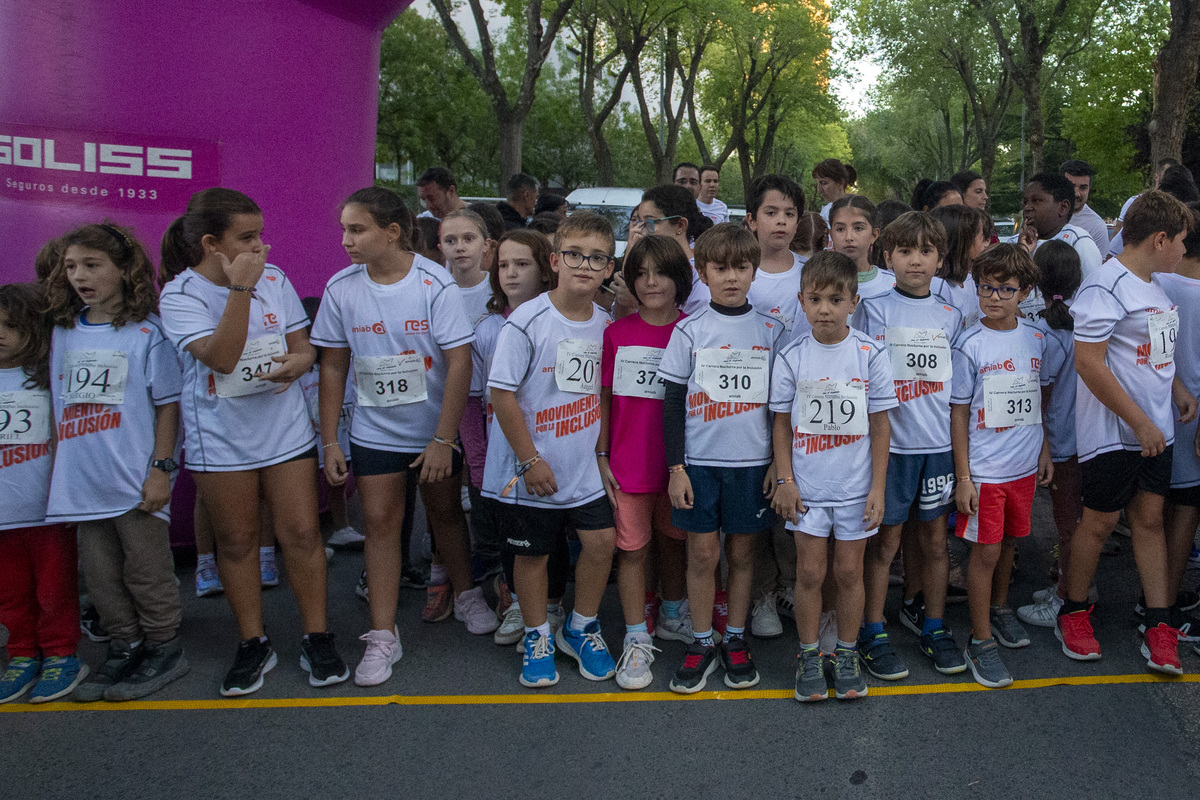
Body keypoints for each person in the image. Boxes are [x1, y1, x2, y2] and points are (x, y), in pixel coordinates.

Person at [160, 188, 349, 697]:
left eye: (261, 234)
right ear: (210, 243)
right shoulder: (180, 295)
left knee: (303, 535)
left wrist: (301, 361)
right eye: (247, 238)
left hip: (284, 431)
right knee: (239, 542)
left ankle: (317, 635)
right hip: (220, 440)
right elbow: (220, 358)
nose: (261, 247)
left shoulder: (276, 278)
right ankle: (252, 642)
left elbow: (303, 345)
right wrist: (240, 290)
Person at [312, 187, 493, 686]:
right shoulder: (341, 289)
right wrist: (331, 440)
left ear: (391, 232)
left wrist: (442, 438)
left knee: (445, 515)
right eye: (344, 229)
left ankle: (466, 594)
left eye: (357, 229)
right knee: (380, 523)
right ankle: (382, 635)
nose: (346, 240)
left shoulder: (435, 284)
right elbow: (332, 367)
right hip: (374, 432)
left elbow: (459, 362)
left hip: (432, 430)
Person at [44, 223, 188, 702]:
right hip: (82, 484)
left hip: (134, 480)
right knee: (101, 577)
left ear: (125, 270)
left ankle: (164, 646)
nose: (79, 276)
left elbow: (168, 404)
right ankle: (124, 645)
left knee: (146, 571)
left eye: (92, 265)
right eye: (71, 267)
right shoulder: (63, 331)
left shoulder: (148, 333)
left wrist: (161, 469)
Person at [1056, 191, 1196, 674]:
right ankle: (1073, 611)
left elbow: (1150, 351)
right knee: (1097, 522)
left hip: (1155, 430)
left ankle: (1159, 622)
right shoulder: (1105, 287)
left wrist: (1175, 387)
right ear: (1159, 240)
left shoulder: (1155, 285)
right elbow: (1088, 363)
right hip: (1115, 434)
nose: (1184, 249)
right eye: (1180, 241)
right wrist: (1137, 421)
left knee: (1151, 520)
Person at [481, 211, 620, 688]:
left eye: (596, 257)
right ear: (556, 260)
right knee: (534, 556)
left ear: (608, 267)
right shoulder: (527, 321)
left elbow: (601, 395)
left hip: (582, 465)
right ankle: (539, 634)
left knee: (602, 542)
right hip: (530, 468)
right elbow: (501, 394)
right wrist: (530, 459)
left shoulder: (606, 325)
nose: (585, 265)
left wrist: (600, 456)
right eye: (575, 254)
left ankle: (580, 628)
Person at [659, 223, 787, 693]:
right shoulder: (689, 330)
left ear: (754, 270)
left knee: (741, 552)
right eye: (720, 267)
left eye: (741, 266)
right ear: (702, 272)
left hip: (752, 464)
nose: (731, 276)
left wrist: (778, 463)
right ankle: (700, 640)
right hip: (698, 464)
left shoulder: (774, 330)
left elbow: (782, 407)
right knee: (702, 553)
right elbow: (672, 402)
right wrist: (676, 468)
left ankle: (734, 637)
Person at [771, 251, 896, 701]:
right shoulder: (792, 356)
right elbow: (781, 422)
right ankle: (808, 655)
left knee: (848, 573)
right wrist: (786, 479)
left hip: (855, 489)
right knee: (808, 573)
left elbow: (881, 423)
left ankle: (845, 652)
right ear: (802, 301)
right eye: (816, 299)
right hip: (807, 490)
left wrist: (878, 488)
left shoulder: (870, 353)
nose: (825, 309)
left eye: (835, 299)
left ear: (853, 302)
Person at [850, 211, 966, 680]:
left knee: (936, 542)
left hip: (936, 445)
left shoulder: (953, 314)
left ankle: (934, 626)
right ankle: (871, 629)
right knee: (886, 542)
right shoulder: (872, 308)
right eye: (904, 251)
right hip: (890, 450)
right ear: (887, 256)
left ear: (940, 259)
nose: (915, 260)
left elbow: (960, 394)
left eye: (925, 251)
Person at [950, 244, 1054, 688]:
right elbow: (957, 413)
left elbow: (1037, 399)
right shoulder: (970, 343)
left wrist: (1045, 448)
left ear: (1024, 292)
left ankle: (999, 608)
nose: (994, 297)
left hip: (1023, 467)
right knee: (986, 552)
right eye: (986, 288)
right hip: (986, 472)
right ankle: (979, 639)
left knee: (1010, 545)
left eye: (1005, 289)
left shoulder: (1037, 337)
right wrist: (965, 476)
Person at [597, 235, 693, 689]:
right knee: (633, 552)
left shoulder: (695, 330)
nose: (651, 281)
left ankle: (672, 613)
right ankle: (637, 637)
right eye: (640, 273)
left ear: (680, 278)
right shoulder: (616, 333)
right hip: (629, 465)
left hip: (679, 466)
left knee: (674, 542)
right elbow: (604, 402)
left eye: (661, 272)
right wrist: (601, 454)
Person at [471, 230, 561, 649]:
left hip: (558, 445)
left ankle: (553, 604)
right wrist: (477, 457)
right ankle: (518, 603)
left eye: (522, 264)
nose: (510, 273)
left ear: (546, 269)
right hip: (504, 454)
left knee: (553, 533)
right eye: (503, 265)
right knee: (514, 534)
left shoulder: (567, 319)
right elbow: (479, 399)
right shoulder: (489, 329)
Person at [0, 282, 85, 704]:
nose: (0, 333)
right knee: (10, 592)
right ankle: (20, 653)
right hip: (3, 516)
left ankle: (61, 654)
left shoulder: (49, 374)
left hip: (44, 511)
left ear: (33, 328)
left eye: (9, 325)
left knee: (54, 589)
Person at [1016, 241, 1084, 628]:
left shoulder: (1045, 332)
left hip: (1059, 441)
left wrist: (1041, 448)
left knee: (1069, 524)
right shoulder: (1083, 321)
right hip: (1085, 438)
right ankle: (1070, 584)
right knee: (1074, 522)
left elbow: (1040, 398)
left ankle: (1066, 597)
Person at [1155, 202, 1200, 640]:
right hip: (1190, 419)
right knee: (1185, 511)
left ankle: (1156, 598)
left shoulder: (1154, 283)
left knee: (1156, 511)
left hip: (1155, 414)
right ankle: (1162, 602)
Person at [624, 185, 713, 317]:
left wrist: (637, 303)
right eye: (638, 222)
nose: (640, 231)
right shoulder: (639, 266)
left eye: (650, 222)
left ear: (680, 225)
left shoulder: (702, 277)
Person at [1007, 173, 1103, 281]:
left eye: (1037, 200)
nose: (1027, 207)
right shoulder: (1014, 244)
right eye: (1025, 202)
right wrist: (1021, 251)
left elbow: (1092, 289)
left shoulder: (1078, 242)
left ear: (1063, 207)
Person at [745, 174, 807, 336]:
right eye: (771, 213)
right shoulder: (734, 272)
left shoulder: (812, 272)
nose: (781, 220)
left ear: (797, 223)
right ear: (752, 220)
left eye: (789, 214)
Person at [930, 205, 989, 329]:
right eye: (981, 235)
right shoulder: (938, 286)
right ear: (966, 241)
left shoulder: (969, 279)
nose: (985, 241)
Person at [830, 196, 894, 301]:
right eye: (840, 229)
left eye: (858, 228)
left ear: (874, 235)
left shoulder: (891, 285)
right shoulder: (817, 282)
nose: (849, 237)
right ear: (831, 235)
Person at [440, 209, 496, 328]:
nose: (460, 247)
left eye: (469, 239)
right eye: (450, 241)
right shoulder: (435, 291)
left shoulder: (499, 287)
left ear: (486, 244)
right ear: (441, 248)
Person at [1112, 158, 1179, 241]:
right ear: (1156, 176)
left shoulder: (1179, 208)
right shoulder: (1135, 202)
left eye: (1175, 175)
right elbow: (1118, 233)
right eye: (1167, 174)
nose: (1171, 178)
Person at [1061, 160, 1111, 260]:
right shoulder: (1044, 214)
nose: (1076, 194)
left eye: (1083, 188)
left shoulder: (1096, 226)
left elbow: (1098, 269)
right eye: (1071, 186)